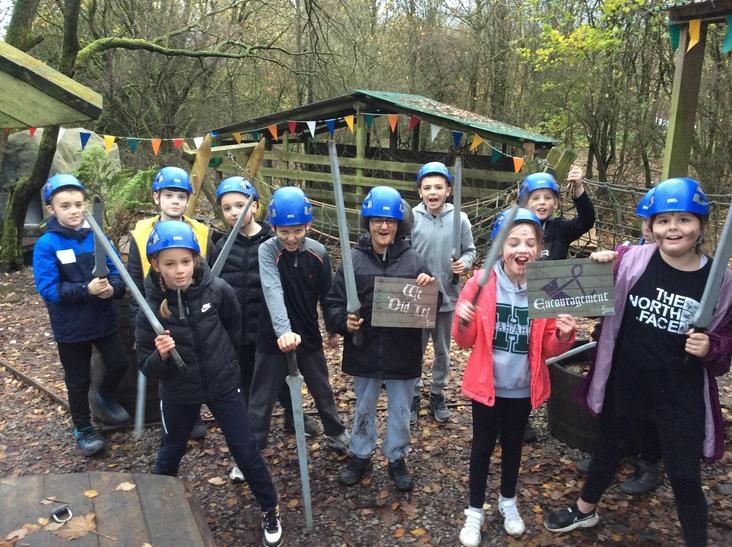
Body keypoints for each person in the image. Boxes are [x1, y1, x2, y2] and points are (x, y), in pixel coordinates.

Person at [544, 178, 732, 547]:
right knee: (608, 450)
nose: (673, 228)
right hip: (627, 383)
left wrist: (711, 346)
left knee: (684, 475)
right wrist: (600, 267)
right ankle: (584, 509)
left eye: (684, 219)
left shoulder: (720, 282)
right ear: (652, 225)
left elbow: (725, 343)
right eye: (664, 220)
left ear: (701, 225)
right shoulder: (630, 262)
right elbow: (579, 297)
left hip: (680, 395)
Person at [134, 221, 283, 547]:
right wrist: (160, 355)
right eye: (170, 263)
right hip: (178, 391)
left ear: (195, 260)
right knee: (171, 449)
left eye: (185, 261)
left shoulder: (217, 290)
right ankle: (155, 507)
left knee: (245, 448)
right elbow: (146, 366)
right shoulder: (149, 309)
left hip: (222, 384)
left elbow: (233, 327)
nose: (179, 270)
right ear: (156, 264)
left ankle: (270, 507)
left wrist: (224, 363)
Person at [453, 208, 576, 546]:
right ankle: (474, 511)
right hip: (488, 387)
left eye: (530, 243)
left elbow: (548, 346)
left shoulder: (547, 286)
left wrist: (563, 335)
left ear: (539, 248)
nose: (522, 249)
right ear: (500, 247)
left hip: (521, 388)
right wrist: (463, 320)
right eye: (513, 242)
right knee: (482, 448)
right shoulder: (480, 283)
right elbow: (464, 341)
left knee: (512, 447)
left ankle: (508, 501)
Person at [213, 177, 323, 482]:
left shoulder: (273, 240)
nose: (235, 212)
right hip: (238, 329)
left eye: (241, 205)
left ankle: (294, 417)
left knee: (286, 380)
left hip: (274, 327)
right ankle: (249, 449)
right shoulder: (221, 246)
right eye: (228, 208)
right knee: (252, 390)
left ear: (256, 207)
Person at [327, 186, 435, 492]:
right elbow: (334, 302)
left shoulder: (414, 261)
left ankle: (397, 457)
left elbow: (431, 305)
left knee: (401, 410)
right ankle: (361, 453)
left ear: (399, 224)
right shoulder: (353, 261)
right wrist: (343, 322)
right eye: (377, 220)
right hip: (365, 349)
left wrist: (428, 287)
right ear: (368, 222)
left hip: (403, 351)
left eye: (389, 221)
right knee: (364, 406)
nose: (383, 227)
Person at [33, 174, 130, 457]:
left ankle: (104, 396)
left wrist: (113, 289)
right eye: (65, 206)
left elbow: (117, 273)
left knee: (119, 363)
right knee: (77, 380)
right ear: (52, 209)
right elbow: (48, 289)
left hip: (103, 319)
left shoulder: (97, 237)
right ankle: (83, 428)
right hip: (71, 327)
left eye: (78, 204)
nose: (74, 210)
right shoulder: (47, 244)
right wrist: (86, 289)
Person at [248, 186, 348, 452]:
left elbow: (326, 294)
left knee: (322, 389)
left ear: (308, 226)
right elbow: (272, 289)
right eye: (283, 232)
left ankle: (336, 432)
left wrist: (331, 330)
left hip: (307, 332)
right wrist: (282, 331)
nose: (291, 238)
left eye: (297, 231)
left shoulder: (319, 253)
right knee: (261, 397)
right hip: (272, 335)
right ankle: (251, 453)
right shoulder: (267, 251)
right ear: (273, 228)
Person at [127, 166, 215, 440]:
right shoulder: (141, 234)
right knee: (166, 362)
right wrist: (139, 323)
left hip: (193, 308)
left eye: (180, 196)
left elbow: (211, 276)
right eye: (169, 195)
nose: (175, 201)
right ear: (157, 197)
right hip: (158, 310)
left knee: (193, 359)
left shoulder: (201, 232)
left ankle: (194, 414)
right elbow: (134, 284)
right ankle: (172, 418)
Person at [518, 166, 596, 442]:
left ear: (555, 202)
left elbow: (586, 220)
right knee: (518, 357)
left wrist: (579, 189)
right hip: (519, 301)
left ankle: (527, 409)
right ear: (525, 201)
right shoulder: (516, 227)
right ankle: (514, 415)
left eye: (548, 198)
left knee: (539, 356)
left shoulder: (560, 229)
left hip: (549, 303)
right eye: (536, 197)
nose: (542, 203)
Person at [410, 162, 476, 425]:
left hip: (447, 296)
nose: (433, 192)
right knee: (414, 349)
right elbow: (403, 251)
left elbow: (470, 251)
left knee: (442, 351)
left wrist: (464, 263)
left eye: (439, 187)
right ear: (420, 192)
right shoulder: (411, 218)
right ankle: (413, 393)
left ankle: (437, 393)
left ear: (449, 190)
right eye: (427, 188)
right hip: (417, 297)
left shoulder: (460, 219)